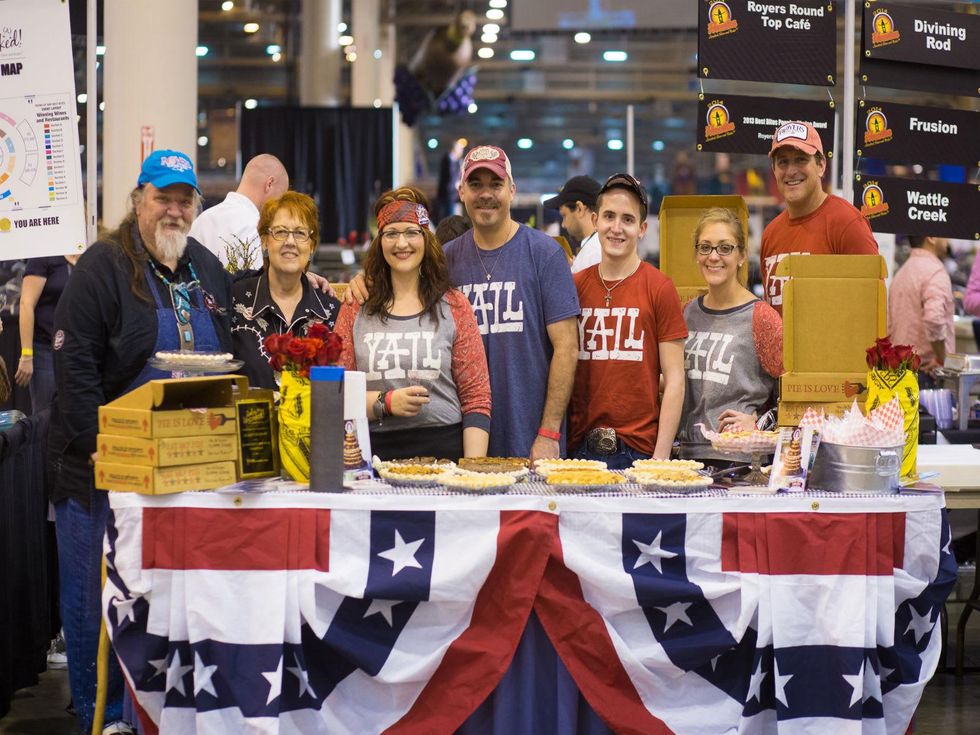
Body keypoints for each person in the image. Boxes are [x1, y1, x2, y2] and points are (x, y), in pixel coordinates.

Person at [48, 150, 232, 735]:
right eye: (162, 198)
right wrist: (98, 447)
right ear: (138, 201)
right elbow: (75, 367)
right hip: (104, 469)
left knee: (168, 602)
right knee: (97, 601)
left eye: (184, 200)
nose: (174, 210)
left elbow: (232, 350)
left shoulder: (207, 267)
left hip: (189, 472)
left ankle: (155, 715)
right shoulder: (102, 266)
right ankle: (100, 717)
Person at [349, 145, 579, 461]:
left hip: (528, 437)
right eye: (475, 184)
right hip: (463, 439)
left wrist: (549, 433)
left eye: (495, 184)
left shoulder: (544, 254)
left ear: (512, 190)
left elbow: (567, 348)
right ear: (461, 192)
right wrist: (365, 280)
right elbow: (400, 275)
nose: (485, 194)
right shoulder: (444, 260)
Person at [334, 187, 490, 460]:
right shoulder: (356, 305)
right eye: (391, 234)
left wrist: (472, 470)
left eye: (411, 232)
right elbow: (336, 391)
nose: (401, 243)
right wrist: (385, 402)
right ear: (380, 242)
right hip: (373, 455)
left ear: (425, 238)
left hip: (445, 457)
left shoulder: (454, 305)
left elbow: (476, 397)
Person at [568, 173, 687, 468]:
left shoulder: (660, 288)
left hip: (638, 452)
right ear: (595, 220)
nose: (616, 228)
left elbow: (675, 379)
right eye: (609, 216)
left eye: (628, 219)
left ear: (642, 229)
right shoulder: (574, 286)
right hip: (578, 448)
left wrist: (660, 457)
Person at [678, 208, 783, 451]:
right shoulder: (687, 313)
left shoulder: (761, 317)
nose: (714, 256)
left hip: (738, 458)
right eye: (705, 247)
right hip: (686, 456)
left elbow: (793, 395)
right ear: (697, 254)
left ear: (742, 255)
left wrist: (761, 423)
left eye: (725, 248)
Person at [761, 121, 878, 313]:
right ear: (774, 170)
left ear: (821, 165)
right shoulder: (770, 234)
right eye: (783, 162)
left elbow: (871, 306)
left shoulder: (847, 223)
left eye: (801, 159)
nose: (791, 171)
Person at [231, 192, 339, 389]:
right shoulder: (234, 300)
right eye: (280, 232)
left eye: (300, 233)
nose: (290, 241)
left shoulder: (331, 311)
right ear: (264, 241)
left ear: (312, 246)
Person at [188, 153, 289, 269]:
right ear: (269, 184)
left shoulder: (202, 220)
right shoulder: (256, 230)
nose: (277, 207)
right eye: (280, 198)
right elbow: (258, 280)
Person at [15, 254, 79, 413]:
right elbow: (26, 304)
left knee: (77, 412)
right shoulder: (44, 256)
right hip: (45, 350)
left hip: (78, 350)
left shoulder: (90, 256)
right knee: (45, 415)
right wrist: (27, 354)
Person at [888, 235, 955, 379]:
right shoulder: (935, 272)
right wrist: (942, 358)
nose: (948, 240)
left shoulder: (902, 273)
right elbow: (934, 319)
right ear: (931, 238)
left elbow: (889, 325)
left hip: (899, 370)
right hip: (926, 372)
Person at [543, 175, 601, 273]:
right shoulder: (594, 249)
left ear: (579, 209)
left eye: (564, 215)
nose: (563, 225)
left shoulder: (592, 254)